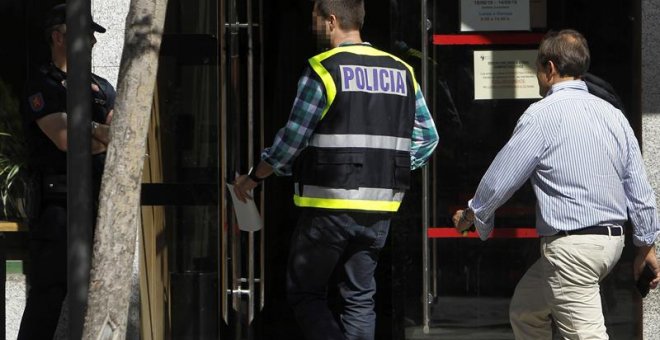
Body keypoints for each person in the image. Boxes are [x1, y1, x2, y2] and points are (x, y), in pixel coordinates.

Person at [233, 0, 439, 339]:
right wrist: (389, 167)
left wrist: (255, 176)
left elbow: (291, 141)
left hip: (328, 207)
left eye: (314, 19)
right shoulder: (401, 70)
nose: (312, 26)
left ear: (331, 21)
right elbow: (428, 138)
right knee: (359, 298)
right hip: (380, 209)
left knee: (305, 293)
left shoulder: (324, 68)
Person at [452, 29, 660, 339]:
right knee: (526, 310)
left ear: (549, 69)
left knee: (586, 335)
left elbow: (500, 179)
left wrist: (471, 216)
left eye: (537, 68)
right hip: (608, 246)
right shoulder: (613, 115)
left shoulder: (542, 115)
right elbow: (639, 188)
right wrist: (646, 246)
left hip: (571, 251)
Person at [18, 4, 114, 339]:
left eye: (92, 37)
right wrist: (98, 132)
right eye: (84, 34)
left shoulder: (102, 88)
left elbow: (120, 138)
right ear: (59, 37)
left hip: (98, 207)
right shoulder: (42, 84)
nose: (90, 42)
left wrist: (91, 133)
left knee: (100, 300)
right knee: (48, 298)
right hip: (57, 208)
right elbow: (65, 140)